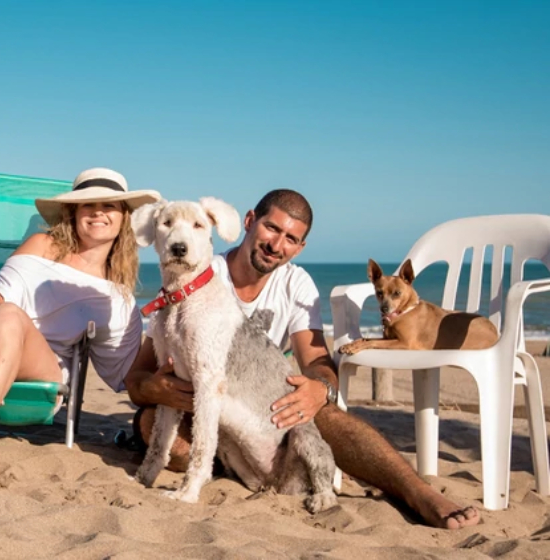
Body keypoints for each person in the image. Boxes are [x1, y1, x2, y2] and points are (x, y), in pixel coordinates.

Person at [124, 189, 480, 530]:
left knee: (321, 411)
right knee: (149, 420)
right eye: (271, 228)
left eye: (291, 239)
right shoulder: (196, 266)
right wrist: (158, 388)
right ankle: (225, 468)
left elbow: (317, 362)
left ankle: (418, 492)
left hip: (262, 412)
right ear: (250, 221)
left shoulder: (297, 285)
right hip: (196, 411)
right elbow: (136, 382)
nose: (277, 245)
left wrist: (318, 388)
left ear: (301, 247)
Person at [0, 167, 161, 479]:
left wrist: (165, 333)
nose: (98, 212)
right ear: (73, 212)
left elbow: (123, 376)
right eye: (88, 204)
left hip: (38, 365)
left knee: (10, 316)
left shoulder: (117, 298)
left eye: (109, 205)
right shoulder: (42, 245)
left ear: (123, 217)